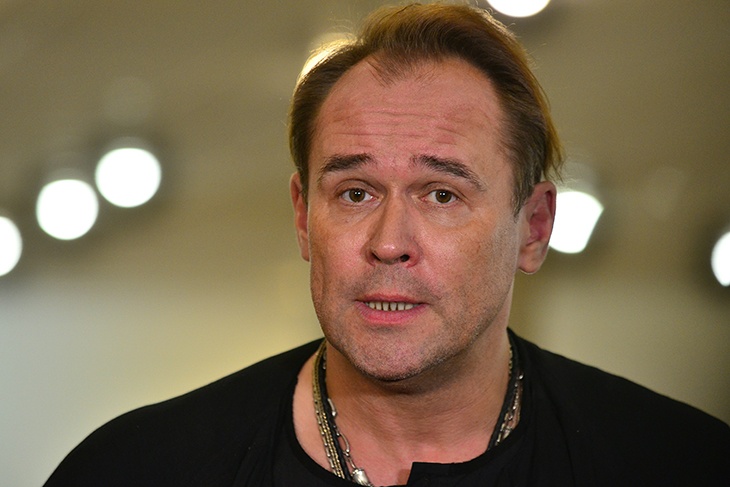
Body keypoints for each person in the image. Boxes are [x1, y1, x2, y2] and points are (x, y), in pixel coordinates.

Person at [45, 3, 729, 486]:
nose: (390, 243)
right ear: (303, 217)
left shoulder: (678, 463)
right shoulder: (137, 468)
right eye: (355, 193)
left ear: (534, 227)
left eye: (442, 194)